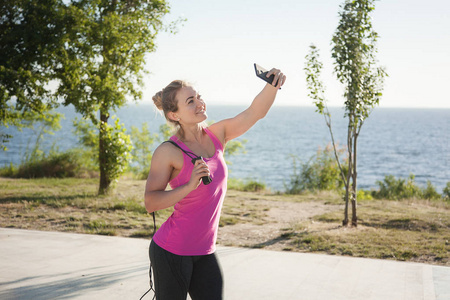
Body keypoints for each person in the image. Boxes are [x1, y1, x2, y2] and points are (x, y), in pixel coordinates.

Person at [144, 67, 286, 300]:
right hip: (171, 251)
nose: (200, 103)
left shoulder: (217, 134)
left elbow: (254, 113)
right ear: (174, 115)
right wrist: (188, 186)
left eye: (199, 97)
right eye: (190, 101)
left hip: (205, 251)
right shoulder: (168, 152)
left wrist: (272, 85)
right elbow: (150, 202)